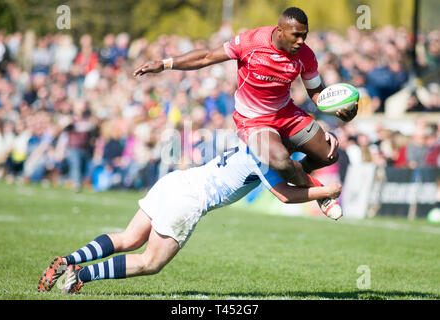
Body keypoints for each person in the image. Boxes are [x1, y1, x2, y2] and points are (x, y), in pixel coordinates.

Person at [133, 7, 357, 213]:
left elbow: (316, 92)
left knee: (330, 154)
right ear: (279, 31)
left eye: (304, 35)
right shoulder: (250, 42)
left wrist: (338, 109)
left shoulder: (305, 55)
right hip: (254, 121)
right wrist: (165, 63)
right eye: (295, 35)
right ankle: (319, 191)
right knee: (280, 161)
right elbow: (207, 56)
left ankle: (297, 175)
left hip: (286, 114)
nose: (301, 41)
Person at [38, 143, 343, 294]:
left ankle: (67, 260)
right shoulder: (271, 158)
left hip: (176, 181)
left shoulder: (256, 140)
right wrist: (325, 191)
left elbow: (295, 171)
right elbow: (286, 195)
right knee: (150, 263)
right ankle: (81, 275)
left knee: (127, 238)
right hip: (189, 200)